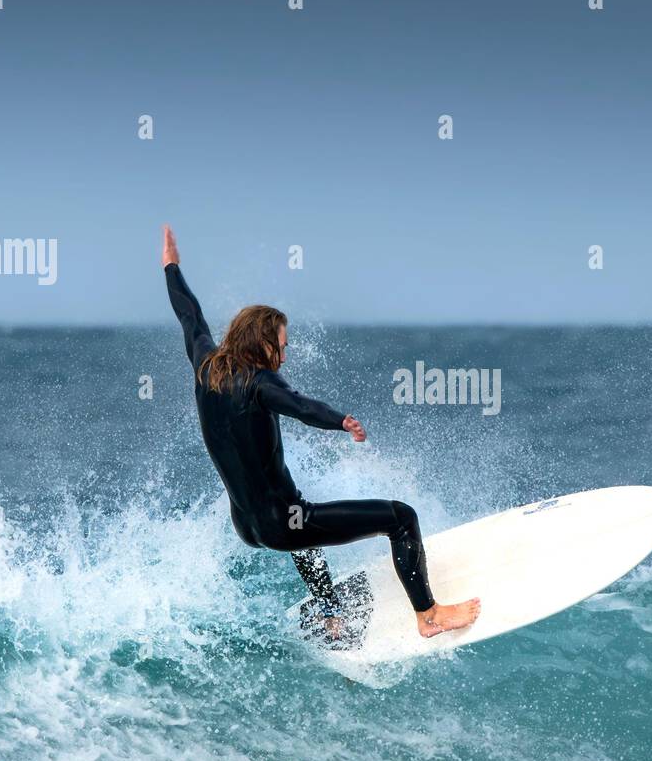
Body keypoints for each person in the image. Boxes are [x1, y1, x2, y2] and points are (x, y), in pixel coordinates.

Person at [161, 226, 480, 641]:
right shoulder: (261, 384)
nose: (284, 353)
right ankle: (429, 614)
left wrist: (171, 266)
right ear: (261, 346)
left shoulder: (205, 364)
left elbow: (189, 313)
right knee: (401, 518)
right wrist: (342, 421)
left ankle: (330, 615)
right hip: (283, 527)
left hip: (247, 527)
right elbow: (302, 406)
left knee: (298, 520)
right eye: (281, 345)